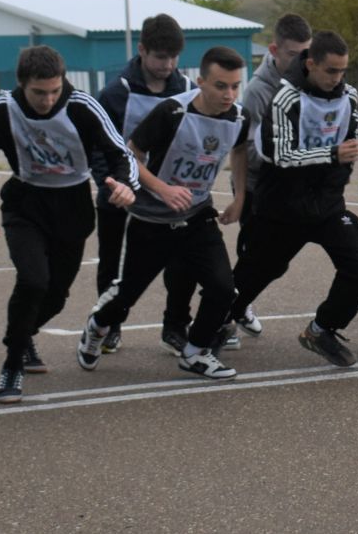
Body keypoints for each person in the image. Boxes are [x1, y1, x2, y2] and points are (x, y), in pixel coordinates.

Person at [80, 45, 247, 380]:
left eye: (235, 86)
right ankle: (98, 325)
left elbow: (240, 150)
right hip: (152, 219)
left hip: (197, 215)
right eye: (220, 86)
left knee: (223, 289)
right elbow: (130, 155)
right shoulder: (171, 112)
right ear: (200, 82)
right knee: (127, 295)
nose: (229, 94)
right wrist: (163, 189)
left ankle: (195, 352)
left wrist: (240, 196)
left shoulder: (239, 117)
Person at [0, 46, 138, 404]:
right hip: (25, 203)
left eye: (55, 90)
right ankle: (12, 364)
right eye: (39, 92)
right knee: (32, 280)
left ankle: (22, 336)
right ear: (22, 84)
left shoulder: (82, 105)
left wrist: (124, 186)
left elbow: (121, 154)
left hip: (72, 206)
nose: (48, 99)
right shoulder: (2, 110)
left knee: (56, 296)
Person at [227, 30, 358, 369]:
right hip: (282, 207)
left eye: (342, 71)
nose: (337, 78)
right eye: (330, 71)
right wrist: (331, 155)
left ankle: (321, 329)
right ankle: (222, 318)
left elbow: (348, 144)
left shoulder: (349, 97)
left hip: (326, 205)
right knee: (259, 272)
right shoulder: (285, 98)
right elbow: (279, 155)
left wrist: (334, 179)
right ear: (310, 64)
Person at [90, 13, 195, 353]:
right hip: (120, 192)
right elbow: (97, 146)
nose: (168, 65)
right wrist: (110, 185)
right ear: (142, 51)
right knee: (113, 264)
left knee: (182, 261)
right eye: (160, 57)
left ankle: (176, 325)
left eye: (174, 57)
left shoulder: (189, 90)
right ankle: (109, 324)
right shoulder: (114, 93)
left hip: (168, 194)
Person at [233, 12, 313, 337]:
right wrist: (292, 152)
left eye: (305, 53)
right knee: (256, 259)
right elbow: (250, 151)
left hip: (290, 188)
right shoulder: (257, 91)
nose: (301, 61)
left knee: (274, 261)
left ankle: (236, 304)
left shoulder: (308, 80)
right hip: (258, 189)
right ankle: (227, 311)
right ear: (274, 50)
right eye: (293, 54)